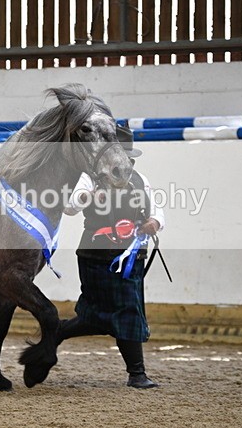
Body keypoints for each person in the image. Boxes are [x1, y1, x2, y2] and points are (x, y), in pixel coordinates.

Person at [59, 124, 164, 388]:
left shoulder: (142, 180)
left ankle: (136, 373)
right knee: (101, 313)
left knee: (127, 309)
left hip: (132, 257)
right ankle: (58, 332)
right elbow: (70, 207)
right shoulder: (90, 178)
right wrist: (89, 195)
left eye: (127, 158)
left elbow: (157, 211)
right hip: (95, 255)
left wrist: (154, 223)